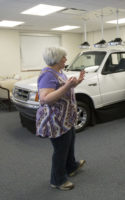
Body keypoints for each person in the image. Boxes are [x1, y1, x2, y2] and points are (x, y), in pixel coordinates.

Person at [36, 47, 86, 190]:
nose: (66, 59)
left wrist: (77, 82)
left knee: (70, 142)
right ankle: (57, 180)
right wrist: (68, 86)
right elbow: (46, 99)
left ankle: (71, 166)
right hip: (55, 119)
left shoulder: (58, 71)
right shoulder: (47, 75)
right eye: (64, 57)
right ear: (57, 59)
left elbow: (64, 87)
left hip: (66, 117)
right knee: (61, 149)